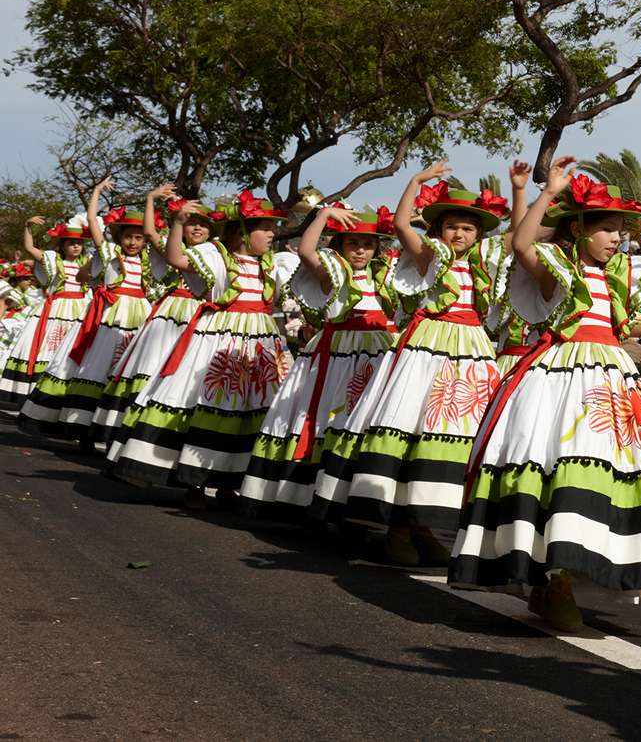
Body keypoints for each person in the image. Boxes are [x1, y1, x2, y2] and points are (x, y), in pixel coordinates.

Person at [449, 162, 641, 629]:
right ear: (579, 230)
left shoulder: (623, 277)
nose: (617, 239)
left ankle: (563, 579)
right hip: (559, 376)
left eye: (620, 231)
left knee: (601, 472)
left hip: (611, 379)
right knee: (557, 466)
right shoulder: (557, 269)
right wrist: (549, 192)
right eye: (607, 229)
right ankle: (555, 580)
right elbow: (521, 243)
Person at [310, 162, 511, 564]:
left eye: (468, 229)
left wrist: (524, 191)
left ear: (480, 235)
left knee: (452, 437)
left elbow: (522, 237)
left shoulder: (486, 263)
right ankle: (399, 530)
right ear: (438, 230)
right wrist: (416, 181)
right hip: (427, 345)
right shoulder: (428, 258)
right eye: (452, 226)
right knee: (413, 430)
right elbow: (402, 224)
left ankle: (422, 529)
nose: (459, 234)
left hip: (471, 350)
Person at [107, 191, 299, 505]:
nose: (272, 233)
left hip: (261, 343)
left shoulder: (273, 265)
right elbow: (176, 259)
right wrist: (178, 224)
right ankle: (194, 483)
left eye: (271, 228)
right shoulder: (217, 254)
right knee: (206, 403)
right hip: (219, 339)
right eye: (265, 227)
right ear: (242, 231)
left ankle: (229, 485)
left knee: (247, 412)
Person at [237, 204, 398, 522]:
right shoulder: (333, 274)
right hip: (336, 359)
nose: (361, 251)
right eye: (353, 243)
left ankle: (348, 505)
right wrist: (323, 216)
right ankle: (309, 500)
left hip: (376, 360)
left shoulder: (385, 277)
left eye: (367, 244)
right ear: (339, 246)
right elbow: (308, 251)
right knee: (327, 423)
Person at [21, 179, 158, 442]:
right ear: (119, 237)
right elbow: (94, 223)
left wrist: (153, 200)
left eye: (138, 237)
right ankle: (82, 427)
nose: (133, 242)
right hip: (110, 314)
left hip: (138, 315)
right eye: (128, 236)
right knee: (97, 365)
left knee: (124, 368)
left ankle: (112, 426)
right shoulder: (108, 252)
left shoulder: (148, 261)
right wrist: (95, 192)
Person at [94, 186, 218, 446]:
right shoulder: (172, 250)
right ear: (181, 227)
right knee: (150, 369)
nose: (197, 229)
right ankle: (128, 434)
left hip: (201, 319)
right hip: (171, 314)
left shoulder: (216, 255)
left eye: (203, 225)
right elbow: (150, 232)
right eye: (192, 224)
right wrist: (151, 198)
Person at [0, 215, 92, 413]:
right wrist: (27, 227)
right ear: (63, 245)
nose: (76, 247)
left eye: (79, 243)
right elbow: (30, 249)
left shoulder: (88, 262)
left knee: (70, 353)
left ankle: (61, 396)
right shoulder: (52, 259)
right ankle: (35, 394)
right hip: (57, 308)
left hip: (80, 309)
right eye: (71, 243)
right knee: (48, 349)